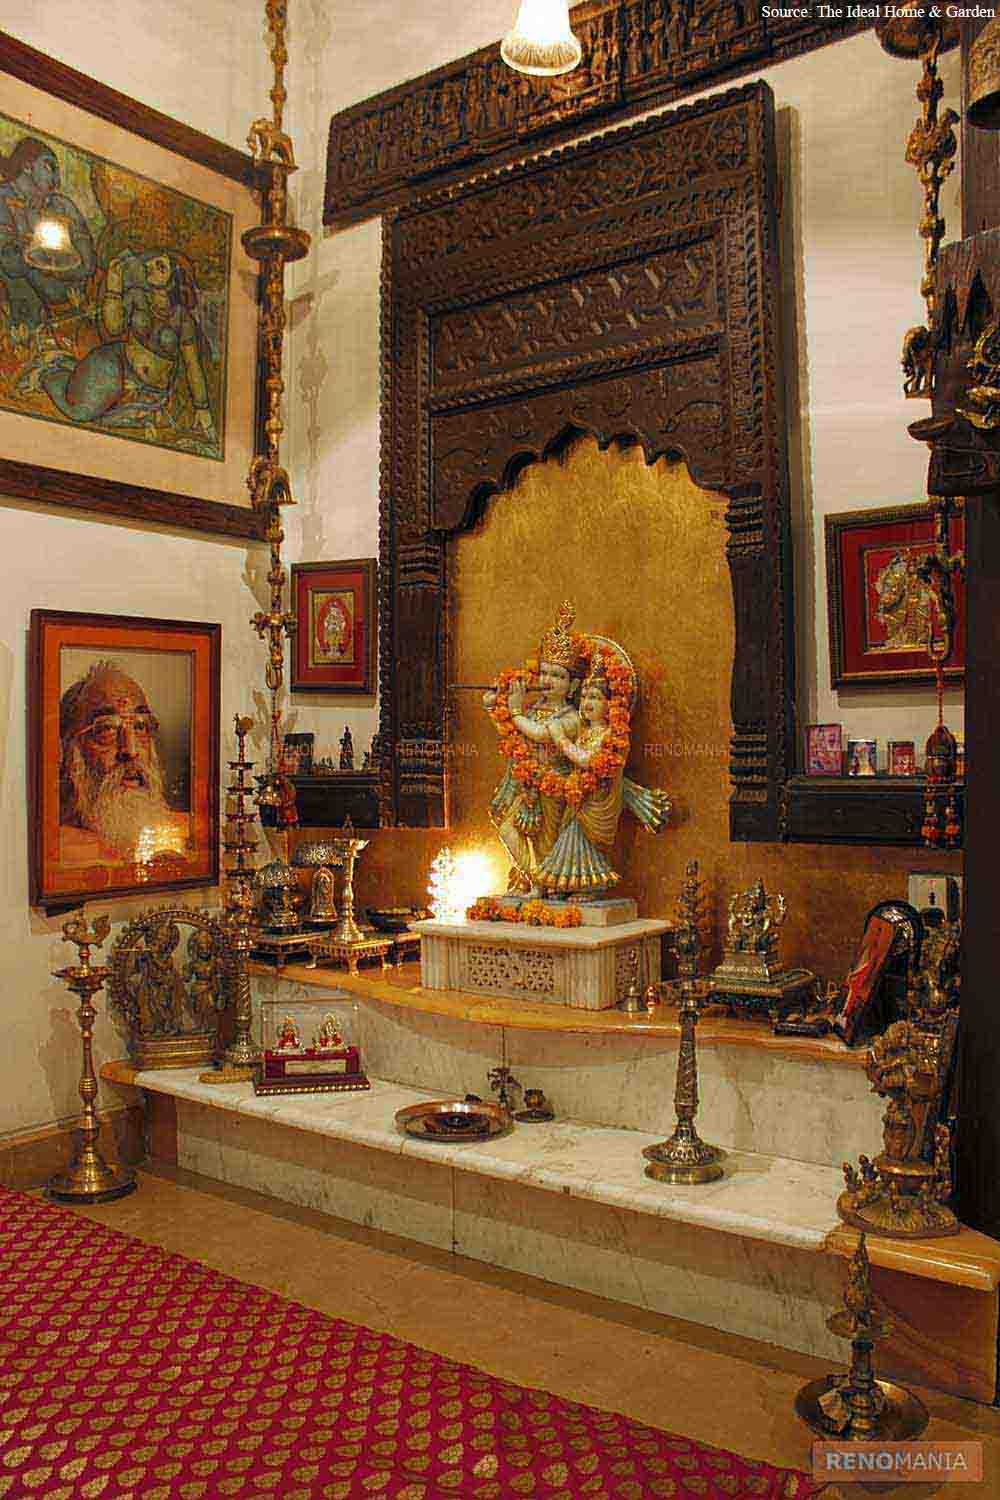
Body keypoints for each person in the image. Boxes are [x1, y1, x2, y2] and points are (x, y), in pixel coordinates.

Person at [32, 247, 217, 448]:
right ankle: (47, 375)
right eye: (149, 264)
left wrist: (202, 408)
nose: (151, 268)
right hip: (116, 361)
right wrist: (113, 288)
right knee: (80, 412)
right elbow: (113, 328)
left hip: (150, 391)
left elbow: (192, 365)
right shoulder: (137, 296)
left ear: (175, 274)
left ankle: (66, 368)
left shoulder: (183, 318)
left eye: (160, 265)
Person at [483, 605, 583, 894]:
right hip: (525, 784)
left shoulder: (572, 718)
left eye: (558, 676)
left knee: (545, 842)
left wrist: (514, 711)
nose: (548, 681)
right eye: (545, 673)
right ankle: (535, 879)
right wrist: (493, 708)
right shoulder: (534, 709)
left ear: (573, 685)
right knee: (507, 829)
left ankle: (547, 886)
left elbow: (539, 734)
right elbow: (515, 736)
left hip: (554, 786)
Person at [58, 660, 191, 868]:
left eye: (140, 726)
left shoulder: (188, 834)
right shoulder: (56, 852)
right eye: (106, 729)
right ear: (67, 751)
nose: (130, 749)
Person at [0, 137, 96, 335]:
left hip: (69, 312)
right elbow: (11, 265)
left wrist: (52, 269)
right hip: (23, 320)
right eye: (50, 167)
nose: (57, 180)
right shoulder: (3, 198)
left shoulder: (63, 205)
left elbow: (87, 265)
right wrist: (30, 223)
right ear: (27, 166)